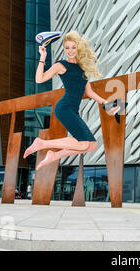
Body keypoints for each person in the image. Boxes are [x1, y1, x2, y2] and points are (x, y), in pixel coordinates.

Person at [23, 31, 120, 169]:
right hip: (64, 108)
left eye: (73, 47)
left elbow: (90, 92)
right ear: (64, 49)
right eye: (67, 48)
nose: (70, 51)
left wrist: (107, 103)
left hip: (73, 110)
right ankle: (43, 144)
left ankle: (54, 155)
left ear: (78, 48)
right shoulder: (61, 65)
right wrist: (43, 57)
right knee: (84, 143)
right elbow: (39, 79)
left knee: (92, 145)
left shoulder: (82, 68)